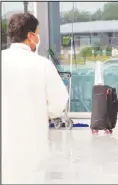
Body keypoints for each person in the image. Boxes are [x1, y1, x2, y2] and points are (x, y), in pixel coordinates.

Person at [2, 13, 69, 183]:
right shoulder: (42, 64)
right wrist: (43, 112)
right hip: (31, 144)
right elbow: (59, 102)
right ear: (31, 36)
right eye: (37, 33)